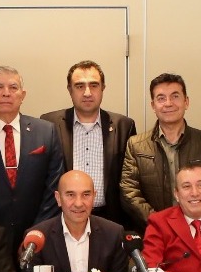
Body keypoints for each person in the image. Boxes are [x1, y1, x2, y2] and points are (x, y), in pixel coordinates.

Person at [0, 65, 65, 246]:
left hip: (37, 236)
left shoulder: (46, 131)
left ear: (22, 95)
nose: (6, 93)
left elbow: (54, 188)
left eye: (13, 87)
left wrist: (37, 231)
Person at [120, 73, 201, 232]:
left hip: (199, 233)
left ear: (186, 102)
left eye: (175, 96)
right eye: (161, 98)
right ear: (153, 105)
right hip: (154, 233)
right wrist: (160, 223)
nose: (168, 103)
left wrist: (190, 222)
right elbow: (129, 191)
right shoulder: (136, 145)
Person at [39, 60, 138, 226]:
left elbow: (130, 179)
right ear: (70, 90)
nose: (87, 92)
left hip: (110, 219)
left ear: (103, 88)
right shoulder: (50, 123)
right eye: (79, 86)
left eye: (94, 85)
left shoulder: (124, 125)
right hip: (64, 219)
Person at [22, 170, 131, 272]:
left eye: (86, 195)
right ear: (58, 198)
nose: (78, 203)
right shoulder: (37, 238)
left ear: (94, 197)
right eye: (71, 195)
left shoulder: (113, 234)